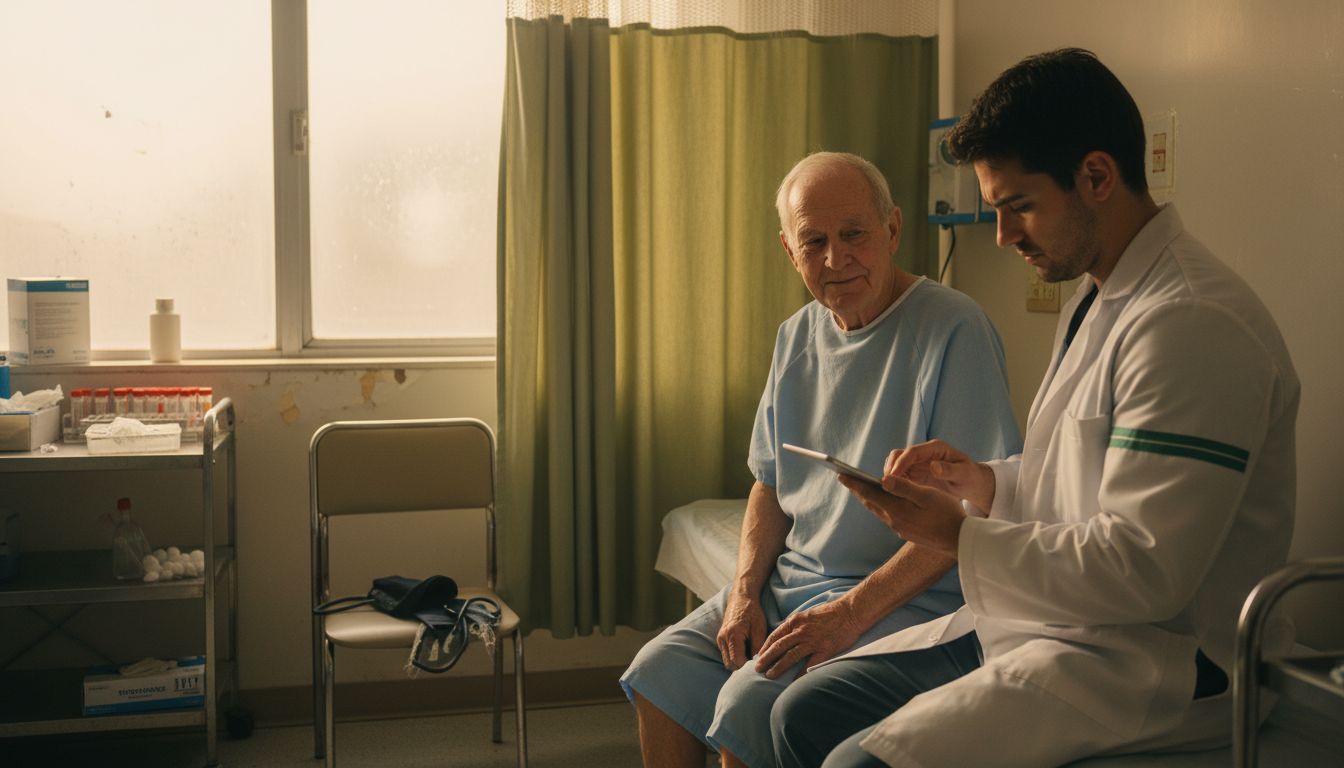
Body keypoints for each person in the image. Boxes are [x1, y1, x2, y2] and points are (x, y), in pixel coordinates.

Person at [770, 49, 1301, 768]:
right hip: (1060, 623)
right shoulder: (1099, 296)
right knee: (806, 710)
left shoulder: (1193, 324)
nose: (1002, 236)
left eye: (1017, 206)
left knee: (854, 761)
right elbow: (1082, 477)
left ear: (1097, 177)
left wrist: (956, 536)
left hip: (1160, 664)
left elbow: (1146, 571)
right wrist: (981, 483)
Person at [620, 151, 1023, 768]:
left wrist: (846, 615)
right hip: (795, 586)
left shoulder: (953, 328)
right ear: (790, 250)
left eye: (854, 234)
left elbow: (969, 517)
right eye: (814, 241)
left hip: (911, 600)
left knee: (749, 703)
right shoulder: (796, 335)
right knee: (660, 670)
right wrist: (743, 593)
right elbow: (769, 484)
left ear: (891, 230)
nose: (836, 259)